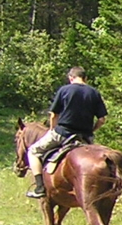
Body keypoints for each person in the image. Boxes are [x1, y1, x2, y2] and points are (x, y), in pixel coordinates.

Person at [26, 67, 107, 198]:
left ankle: (40, 187)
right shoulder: (94, 93)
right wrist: (91, 130)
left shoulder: (64, 90)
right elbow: (102, 119)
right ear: (85, 78)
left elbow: (53, 114)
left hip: (63, 133)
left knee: (33, 151)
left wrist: (52, 129)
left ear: (71, 78)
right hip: (84, 137)